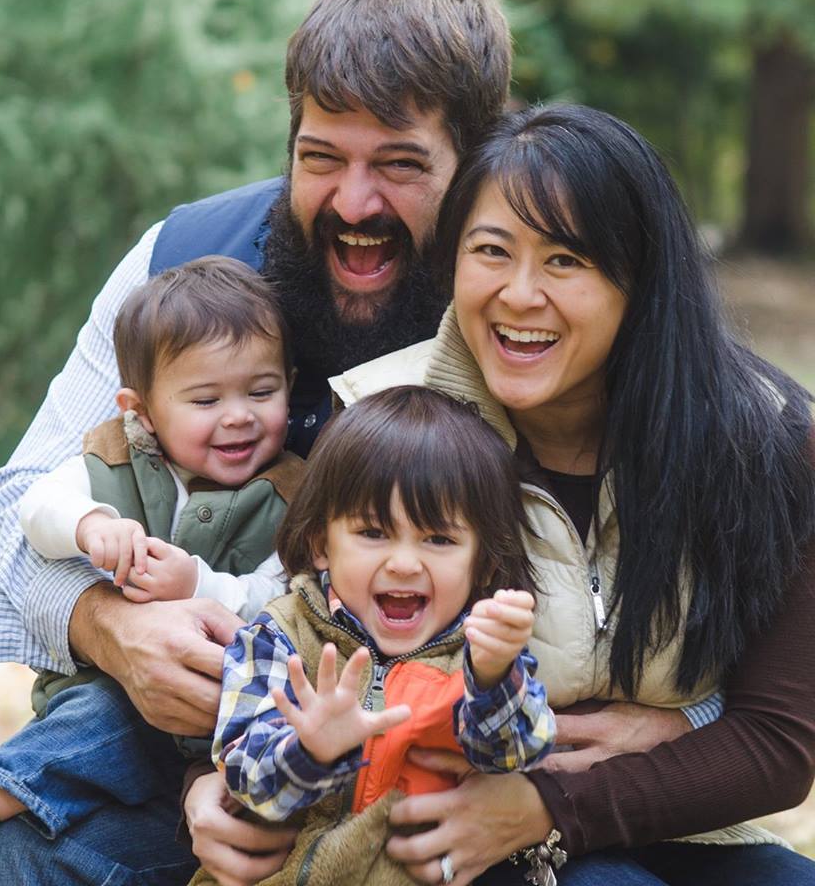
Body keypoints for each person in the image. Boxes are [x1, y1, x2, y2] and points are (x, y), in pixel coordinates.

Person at [0, 0, 515, 886]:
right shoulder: (181, 259)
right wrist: (105, 627)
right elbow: (12, 507)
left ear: (475, 163)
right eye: (321, 157)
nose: (355, 205)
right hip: (148, 771)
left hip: (406, 805)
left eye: (400, 165)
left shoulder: (518, 303)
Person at [328, 103, 815, 884]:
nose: (520, 295)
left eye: (565, 261)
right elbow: (298, 643)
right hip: (452, 837)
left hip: (689, 829)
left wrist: (569, 796)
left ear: (640, 280)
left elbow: (780, 745)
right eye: (492, 250)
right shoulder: (384, 427)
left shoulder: (765, 438)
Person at [0, 257, 306, 877]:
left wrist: (200, 587)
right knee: (104, 710)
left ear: (290, 382)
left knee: (114, 725)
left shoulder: (294, 495)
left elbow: (284, 597)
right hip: (106, 705)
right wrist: (90, 525)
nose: (238, 415)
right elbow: (34, 506)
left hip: (222, 726)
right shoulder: (111, 457)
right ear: (141, 410)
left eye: (262, 392)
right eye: (205, 399)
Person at [192, 386, 555, 885]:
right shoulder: (279, 636)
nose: (404, 563)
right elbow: (245, 778)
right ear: (321, 544)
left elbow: (516, 755)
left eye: (439, 539)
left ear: (484, 561)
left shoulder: (483, 653)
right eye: (373, 533)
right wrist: (311, 748)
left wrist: (493, 677)